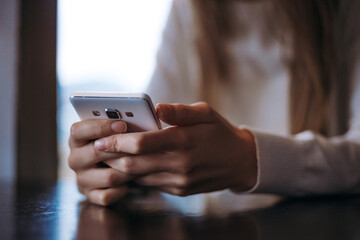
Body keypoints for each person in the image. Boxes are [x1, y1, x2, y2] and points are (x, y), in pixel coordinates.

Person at [68, 0, 360, 206]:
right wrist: (110, 168)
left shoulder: (345, 11)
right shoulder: (190, 11)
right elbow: (148, 134)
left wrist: (250, 160)